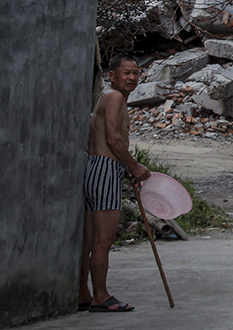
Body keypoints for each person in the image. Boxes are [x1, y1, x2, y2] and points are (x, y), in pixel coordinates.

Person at [77, 54, 151, 312]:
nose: (132, 77)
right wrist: (134, 166)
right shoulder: (115, 97)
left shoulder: (106, 98)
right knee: (103, 241)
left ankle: (82, 293)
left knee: (89, 240)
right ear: (112, 75)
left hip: (96, 167)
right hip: (105, 168)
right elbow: (114, 139)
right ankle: (101, 296)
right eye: (126, 73)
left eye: (136, 73)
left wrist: (125, 167)